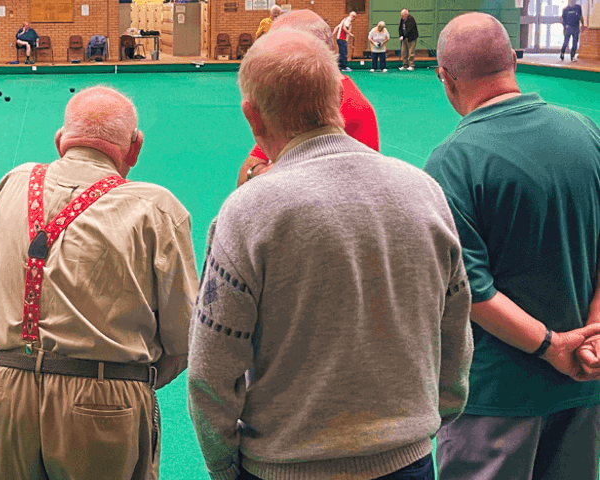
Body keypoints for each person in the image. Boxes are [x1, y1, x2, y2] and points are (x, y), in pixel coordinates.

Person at [188, 27, 473, 480]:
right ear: (337, 97)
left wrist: (225, 468)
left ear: (252, 117)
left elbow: (210, 373)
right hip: (408, 459)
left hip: (282, 464)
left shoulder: (246, 210)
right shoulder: (425, 192)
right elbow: (456, 327)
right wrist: (427, 421)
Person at [0, 86, 198, 480]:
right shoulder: (156, 207)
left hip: (5, 394)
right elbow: (184, 341)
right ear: (134, 148)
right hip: (104, 400)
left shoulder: (11, 183)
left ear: (60, 141)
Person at [425, 12, 600, 480]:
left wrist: (550, 345)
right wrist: (593, 332)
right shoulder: (586, 132)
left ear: (447, 79)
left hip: (495, 398)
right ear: (513, 61)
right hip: (584, 387)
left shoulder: (451, 162)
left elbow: (472, 290)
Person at [238, 9, 379, 186]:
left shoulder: (355, 110)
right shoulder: (289, 99)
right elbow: (247, 174)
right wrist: (258, 173)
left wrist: (262, 174)